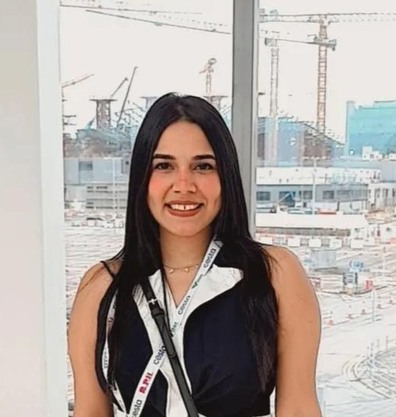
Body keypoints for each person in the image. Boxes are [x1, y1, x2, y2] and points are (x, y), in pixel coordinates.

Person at [68, 93, 321, 417]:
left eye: (203, 166)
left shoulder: (275, 275)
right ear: (142, 177)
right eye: (164, 166)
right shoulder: (103, 288)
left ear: (225, 176)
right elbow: (89, 412)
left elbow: (299, 408)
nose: (184, 185)